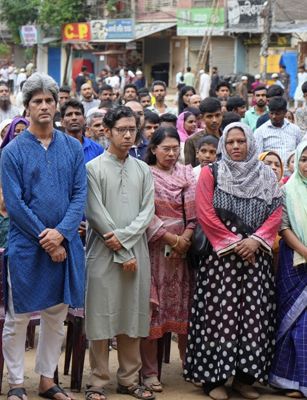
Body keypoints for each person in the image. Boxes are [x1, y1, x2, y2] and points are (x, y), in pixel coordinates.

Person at [0, 73, 86, 400]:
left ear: (57, 104)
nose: (44, 106)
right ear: (27, 107)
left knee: (56, 316)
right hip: (26, 245)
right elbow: (15, 203)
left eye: (49, 100)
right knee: (17, 316)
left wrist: (61, 235)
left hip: (65, 246)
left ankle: (47, 380)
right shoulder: (13, 151)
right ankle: (16, 383)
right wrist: (45, 237)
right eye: (37, 101)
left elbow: (79, 195)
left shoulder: (72, 147)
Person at [184, 122, 282, 400]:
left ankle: (243, 380)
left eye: (241, 141)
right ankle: (212, 379)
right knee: (218, 316)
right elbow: (204, 212)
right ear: (223, 146)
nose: (236, 147)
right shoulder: (211, 172)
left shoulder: (266, 174)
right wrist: (234, 243)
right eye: (230, 142)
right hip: (221, 261)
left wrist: (256, 240)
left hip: (255, 259)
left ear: (250, 143)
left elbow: (276, 211)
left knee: (254, 318)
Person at [84, 106, 155, 400]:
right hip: (102, 253)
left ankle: (129, 378)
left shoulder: (143, 169)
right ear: (107, 131)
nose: (128, 135)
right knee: (101, 317)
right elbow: (95, 214)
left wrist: (125, 245)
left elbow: (147, 212)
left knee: (132, 315)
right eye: (122, 130)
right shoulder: (93, 168)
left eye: (132, 130)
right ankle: (97, 381)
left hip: (136, 253)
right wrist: (121, 249)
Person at [140, 127, 196, 393]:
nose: (172, 153)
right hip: (154, 252)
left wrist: (184, 239)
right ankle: (150, 372)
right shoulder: (144, 174)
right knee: (153, 312)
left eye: (176, 148)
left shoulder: (188, 174)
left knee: (186, 308)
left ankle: (191, 365)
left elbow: (196, 211)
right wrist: (170, 239)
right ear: (153, 149)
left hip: (184, 253)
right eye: (166, 148)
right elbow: (142, 213)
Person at [269, 141, 307, 398]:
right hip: (294, 262)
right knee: (295, 323)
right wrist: (305, 252)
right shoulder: (287, 190)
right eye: (304, 159)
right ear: (296, 162)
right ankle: (290, 380)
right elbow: (283, 227)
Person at [254, 96, 303, 163]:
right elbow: (258, 157)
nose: (274, 116)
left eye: (278, 114)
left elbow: (300, 152)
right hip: (270, 172)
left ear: (285, 112)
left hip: (291, 172)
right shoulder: (260, 132)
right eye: (271, 113)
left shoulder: (295, 130)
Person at [183, 98, 223, 167]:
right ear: (202, 117)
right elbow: (189, 170)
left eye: (217, 115)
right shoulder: (192, 140)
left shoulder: (227, 139)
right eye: (209, 116)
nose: (214, 120)